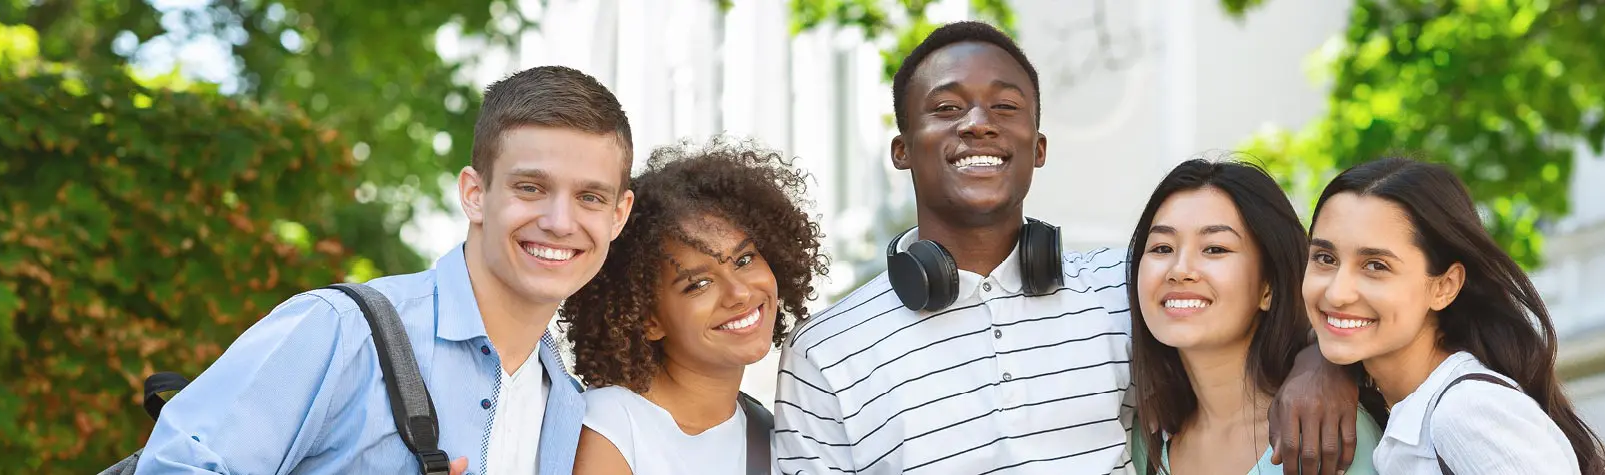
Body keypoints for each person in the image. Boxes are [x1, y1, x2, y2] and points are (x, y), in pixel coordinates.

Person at [773, 20, 1363, 475]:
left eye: (1006, 107)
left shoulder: (1127, 288)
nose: (979, 123)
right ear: (902, 149)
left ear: (1039, 147)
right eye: (947, 108)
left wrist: (1324, 365)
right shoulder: (827, 351)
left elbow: (1260, 308)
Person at [137, 65, 636, 474]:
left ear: (618, 215)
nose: (559, 222)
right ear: (475, 194)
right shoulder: (340, 330)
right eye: (531, 188)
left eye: (589, 197)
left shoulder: (568, 405)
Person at [1302, 157, 1605, 474]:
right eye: (1325, 258)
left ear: (1445, 286)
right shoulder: (1406, 413)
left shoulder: (1466, 412)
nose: (1337, 293)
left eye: (1376, 266)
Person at [561, 137, 826, 475]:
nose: (739, 293)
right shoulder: (611, 425)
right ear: (648, 319)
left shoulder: (778, 442)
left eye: (744, 259)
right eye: (698, 284)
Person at [1126, 158, 1383, 475]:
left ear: (1269, 287)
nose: (1179, 271)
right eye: (1162, 248)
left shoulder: (1324, 435)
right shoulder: (1141, 443)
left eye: (1215, 249)